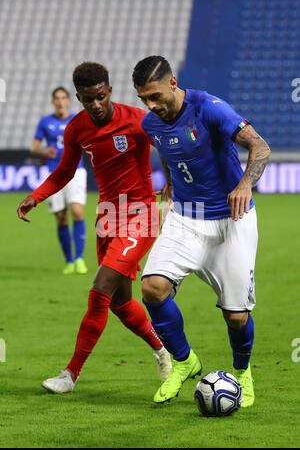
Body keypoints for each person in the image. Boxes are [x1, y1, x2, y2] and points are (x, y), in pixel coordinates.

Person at [17, 62, 171, 393]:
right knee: (120, 304)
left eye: (100, 97)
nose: (96, 105)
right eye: (88, 100)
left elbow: (171, 149)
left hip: (140, 215)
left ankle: (70, 374)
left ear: (110, 91)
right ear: (79, 98)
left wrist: (170, 185)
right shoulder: (76, 129)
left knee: (100, 289)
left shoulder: (136, 120)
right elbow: (63, 172)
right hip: (107, 218)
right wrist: (36, 197)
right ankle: (164, 351)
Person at [132, 55, 271, 406]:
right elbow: (166, 147)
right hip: (185, 216)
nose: (151, 106)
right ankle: (183, 360)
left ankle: (242, 373)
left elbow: (260, 146)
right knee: (152, 287)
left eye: (156, 96)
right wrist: (168, 180)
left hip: (232, 217)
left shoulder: (210, 108)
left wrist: (244, 185)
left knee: (237, 317)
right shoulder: (152, 123)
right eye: (144, 99)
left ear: (173, 83)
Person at [31, 86, 88, 275]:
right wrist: (44, 151)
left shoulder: (77, 120)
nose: (60, 101)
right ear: (53, 101)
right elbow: (35, 148)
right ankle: (69, 261)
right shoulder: (45, 122)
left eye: (63, 98)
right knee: (61, 218)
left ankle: (79, 258)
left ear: (68, 100)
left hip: (75, 171)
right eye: (57, 98)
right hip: (53, 174)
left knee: (77, 212)